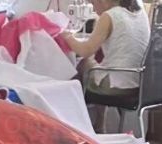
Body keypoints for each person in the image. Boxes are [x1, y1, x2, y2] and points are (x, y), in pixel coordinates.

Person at [63, 0, 149, 132]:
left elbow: (86, 50)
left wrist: (66, 36)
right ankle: (99, 124)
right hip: (140, 84)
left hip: (115, 87)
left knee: (86, 62)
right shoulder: (140, 11)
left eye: (93, 2)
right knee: (101, 65)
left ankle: (71, 124)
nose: (93, 6)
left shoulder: (110, 16)